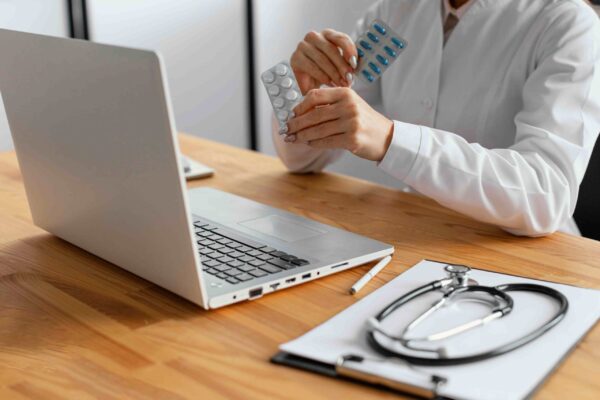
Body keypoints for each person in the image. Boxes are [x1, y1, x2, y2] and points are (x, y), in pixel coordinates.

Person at [272, 0, 600, 237]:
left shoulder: (567, 23)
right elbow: (303, 160)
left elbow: (547, 196)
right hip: (417, 237)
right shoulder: (394, 12)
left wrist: (390, 140)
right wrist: (304, 93)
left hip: (531, 262)